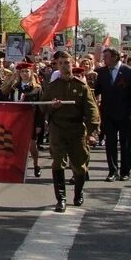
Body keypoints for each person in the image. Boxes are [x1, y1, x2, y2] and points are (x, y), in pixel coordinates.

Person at [43, 50, 100, 212]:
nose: (63, 66)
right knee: (57, 163)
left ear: (72, 63)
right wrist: (51, 106)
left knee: (79, 165)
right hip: (58, 129)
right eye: (60, 63)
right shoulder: (52, 86)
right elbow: (42, 107)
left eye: (66, 63)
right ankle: (61, 198)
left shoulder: (81, 86)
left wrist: (91, 132)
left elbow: (92, 110)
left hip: (76, 130)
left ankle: (78, 193)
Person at [94, 47, 131, 182]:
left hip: (126, 115)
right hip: (108, 113)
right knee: (110, 143)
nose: (104, 59)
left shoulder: (129, 72)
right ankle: (112, 171)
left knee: (125, 144)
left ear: (115, 57)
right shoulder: (100, 72)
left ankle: (125, 171)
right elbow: (96, 91)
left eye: (106, 57)